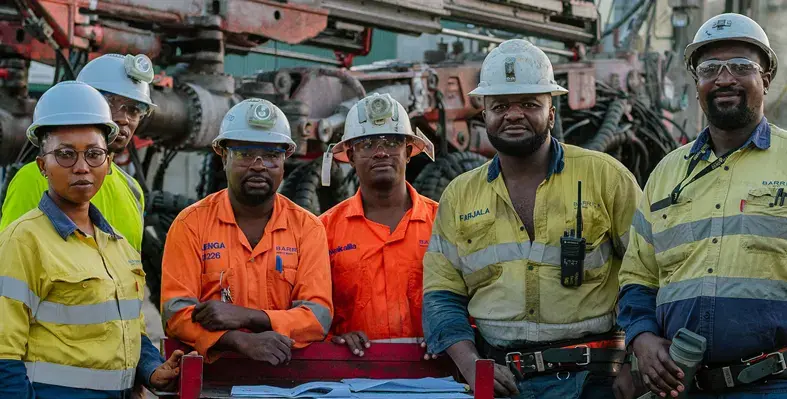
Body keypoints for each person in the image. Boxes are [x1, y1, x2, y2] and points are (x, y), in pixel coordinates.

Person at [422, 38, 642, 398]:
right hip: (502, 383)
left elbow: (648, 274)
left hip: (594, 382)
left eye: (529, 103)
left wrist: (637, 361)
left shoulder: (606, 177)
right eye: (500, 106)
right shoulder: (460, 195)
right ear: (484, 114)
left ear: (551, 112)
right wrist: (470, 364)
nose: (513, 114)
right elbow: (441, 295)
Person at [617, 13, 787, 399]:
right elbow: (637, 278)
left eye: (742, 66)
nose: (724, 78)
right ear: (697, 84)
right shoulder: (666, 173)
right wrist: (641, 338)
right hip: (682, 386)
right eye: (711, 68)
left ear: (766, 79)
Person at [0, 81, 187, 399]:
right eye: (66, 155)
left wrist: (152, 370)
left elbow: (126, 328)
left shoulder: (117, 245)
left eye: (95, 154)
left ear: (108, 161)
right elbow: (4, 355)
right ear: (43, 165)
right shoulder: (24, 240)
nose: (82, 167)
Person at [160, 98, 333, 365]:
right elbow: (175, 314)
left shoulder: (307, 229)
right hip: (211, 375)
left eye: (272, 155)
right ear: (224, 156)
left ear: (285, 161)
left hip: (290, 378)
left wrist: (247, 317)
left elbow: (317, 316)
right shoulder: (191, 224)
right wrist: (237, 340)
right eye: (245, 153)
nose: (259, 165)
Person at [319, 93, 438, 357]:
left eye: (392, 142)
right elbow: (310, 307)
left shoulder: (441, 223)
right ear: (350, 156)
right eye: (367, 144)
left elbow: (469, 297)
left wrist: (451, 337)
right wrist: (332, 339)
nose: (381, 152)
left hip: (435, 374)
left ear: (408, 152)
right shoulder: (323, 230)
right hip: (349, 377)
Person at [0, 53, 155, 252]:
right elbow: (11, 263)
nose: (124, 118)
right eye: (110, 103)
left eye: (134, 110)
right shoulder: (33, 179)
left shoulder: (133, 190)